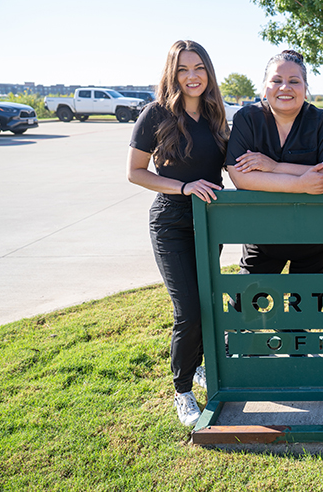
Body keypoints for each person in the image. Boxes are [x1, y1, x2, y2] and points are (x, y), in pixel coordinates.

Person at [127, 40, 228, 426]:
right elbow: (135, 172)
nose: (192, 76)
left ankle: (200, 366)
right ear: (173, 73)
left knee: (207, 303)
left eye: (199, 67)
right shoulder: (155, 115)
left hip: (209, 222)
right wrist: (182, 187)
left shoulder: (217, 114)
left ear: (208, 71)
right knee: (187, 310)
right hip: (171, 221)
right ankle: (182, 390)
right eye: (184, 69)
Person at [226, 50, 323, 275]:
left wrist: (273, 167)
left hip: (318, 236)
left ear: (305, 87)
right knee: (246, 305)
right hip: (262, 235)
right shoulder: (247, 119)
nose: (285, 87)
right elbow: (240, 176)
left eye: (294, 81)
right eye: (276, 81)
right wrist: (302, 184)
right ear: (265, 87)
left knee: (307, 308)